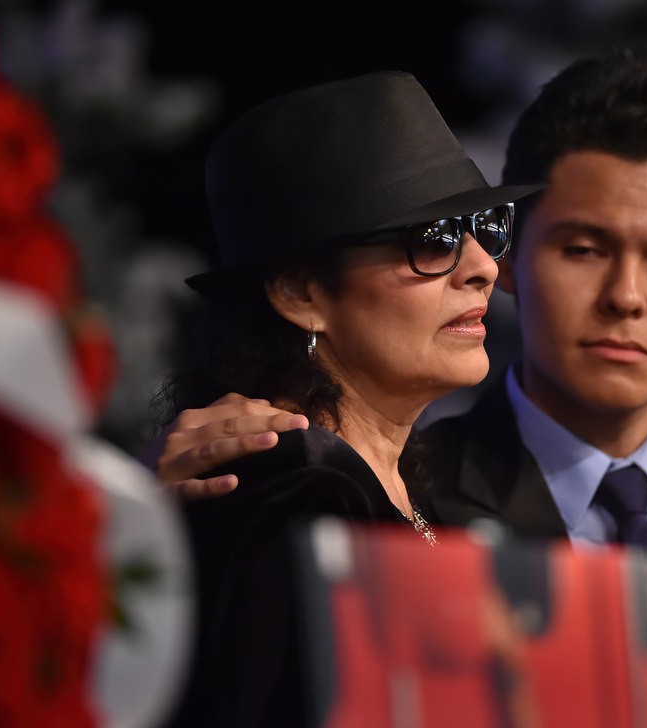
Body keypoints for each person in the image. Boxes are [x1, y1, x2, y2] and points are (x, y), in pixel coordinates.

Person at [154, 49, 647, 569]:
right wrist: (139, 527)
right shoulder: (298, 485)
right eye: (583, 248)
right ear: (301, 292)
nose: (626, 297)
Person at [160, 71, 541, 727]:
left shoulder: (402, 487)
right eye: (433, 240)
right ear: (302, 294)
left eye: (485, 227)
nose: (482, 266)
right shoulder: (291, 492)